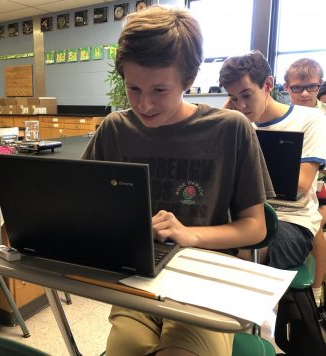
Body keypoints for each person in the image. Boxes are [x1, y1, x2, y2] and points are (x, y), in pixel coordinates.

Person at [82, 7, 274, 356]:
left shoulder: (230, 129)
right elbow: (85, 204)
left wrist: (192, 234)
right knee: (125, 349)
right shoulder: (114, 129)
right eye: (133, 88)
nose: (144, 104)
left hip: (205, 280)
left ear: (188, 80)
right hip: (138, 282)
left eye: (159, 90)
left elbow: (256, 227)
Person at [219, 50, 326, 273]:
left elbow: (301, 185)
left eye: (247, 95)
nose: (241, 105)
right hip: (243, 214)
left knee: (241, 255)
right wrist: (222, 123)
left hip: (290, 221)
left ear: (268, 85)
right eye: (234, 98)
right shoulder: (239, 123)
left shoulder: (310, 119)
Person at [283, 58, 326, 311]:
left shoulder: (319, 119)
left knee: (316, 224)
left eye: (311, 87)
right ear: (287, 88)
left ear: (319, 85)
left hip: (317, 188)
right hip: (303, 189)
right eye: (298, 88)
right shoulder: (284, 117)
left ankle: (316, 290)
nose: (305, 93)